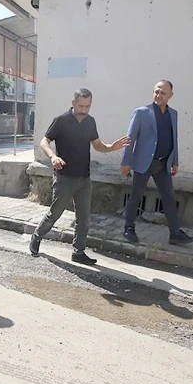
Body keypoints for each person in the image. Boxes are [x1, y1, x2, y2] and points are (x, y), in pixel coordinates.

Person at [29, 88, 130, 264]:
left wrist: (112, 147)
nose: (84, 110)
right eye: (81, 106)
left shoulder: (90, 122)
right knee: (55, 213)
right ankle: (37, 236)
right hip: (64, 178)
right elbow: (44, 141)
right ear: (73, 103)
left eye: (87, 106)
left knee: (83, 219)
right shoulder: (61, 121)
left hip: (84, 178)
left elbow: (97, 145)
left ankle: (78, 252)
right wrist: (53, 157)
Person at [120, 80, 193, 245]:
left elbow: (174, 138)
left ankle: (175, 233)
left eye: (163, 93)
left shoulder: (173, 114)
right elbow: (129, 139)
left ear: (170, 95)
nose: (158, 95)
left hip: (163, 163)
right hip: (144, 162)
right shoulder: (142, 112)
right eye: (156, 91)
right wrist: (126, 162)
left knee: (169, 198)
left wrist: (175, 161)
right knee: (136, 195)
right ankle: (128, 228)